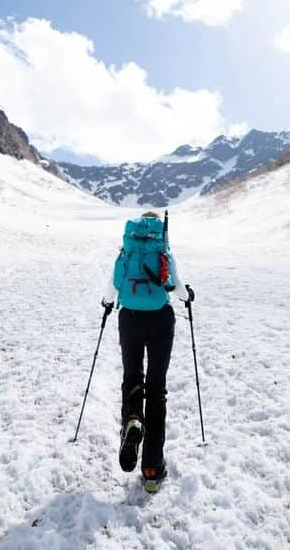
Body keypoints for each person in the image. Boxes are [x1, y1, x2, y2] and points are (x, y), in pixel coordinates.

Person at [101, 210, 193, 493]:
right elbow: (174, 285)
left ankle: (132, 419)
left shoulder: (127, 251)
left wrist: (106, 303)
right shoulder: (162, 249)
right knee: (156, 389)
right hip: (160, 320)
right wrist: (188, 296)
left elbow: (114, 285)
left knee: (132, 377)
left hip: (129, 318)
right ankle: (152, 469)